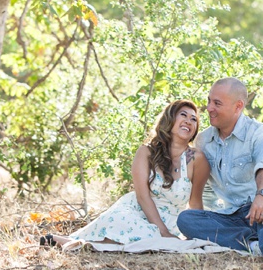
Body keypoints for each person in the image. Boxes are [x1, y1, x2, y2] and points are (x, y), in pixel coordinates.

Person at [41, 100, 210, 248]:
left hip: (173, 220)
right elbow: (143, 197)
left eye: (193, 119)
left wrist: (196, 233)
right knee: (124, 223)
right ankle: (75, 242)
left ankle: (80, 243)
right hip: (139, 211)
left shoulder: (196, 159)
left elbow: (195, 203)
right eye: (183, 115)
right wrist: (163, 231)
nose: (189, 121)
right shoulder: (146, 152)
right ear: (170, 118)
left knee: (153, 239)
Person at [176, 78, 263, 267]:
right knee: (186, 219)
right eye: (209, 101)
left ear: (238, 106)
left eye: (217, 103)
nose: (209, 108)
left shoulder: (260, 132)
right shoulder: (204, 140)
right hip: (239, 216)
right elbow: (207, 188)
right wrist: (206, 221)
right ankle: (254, 244)